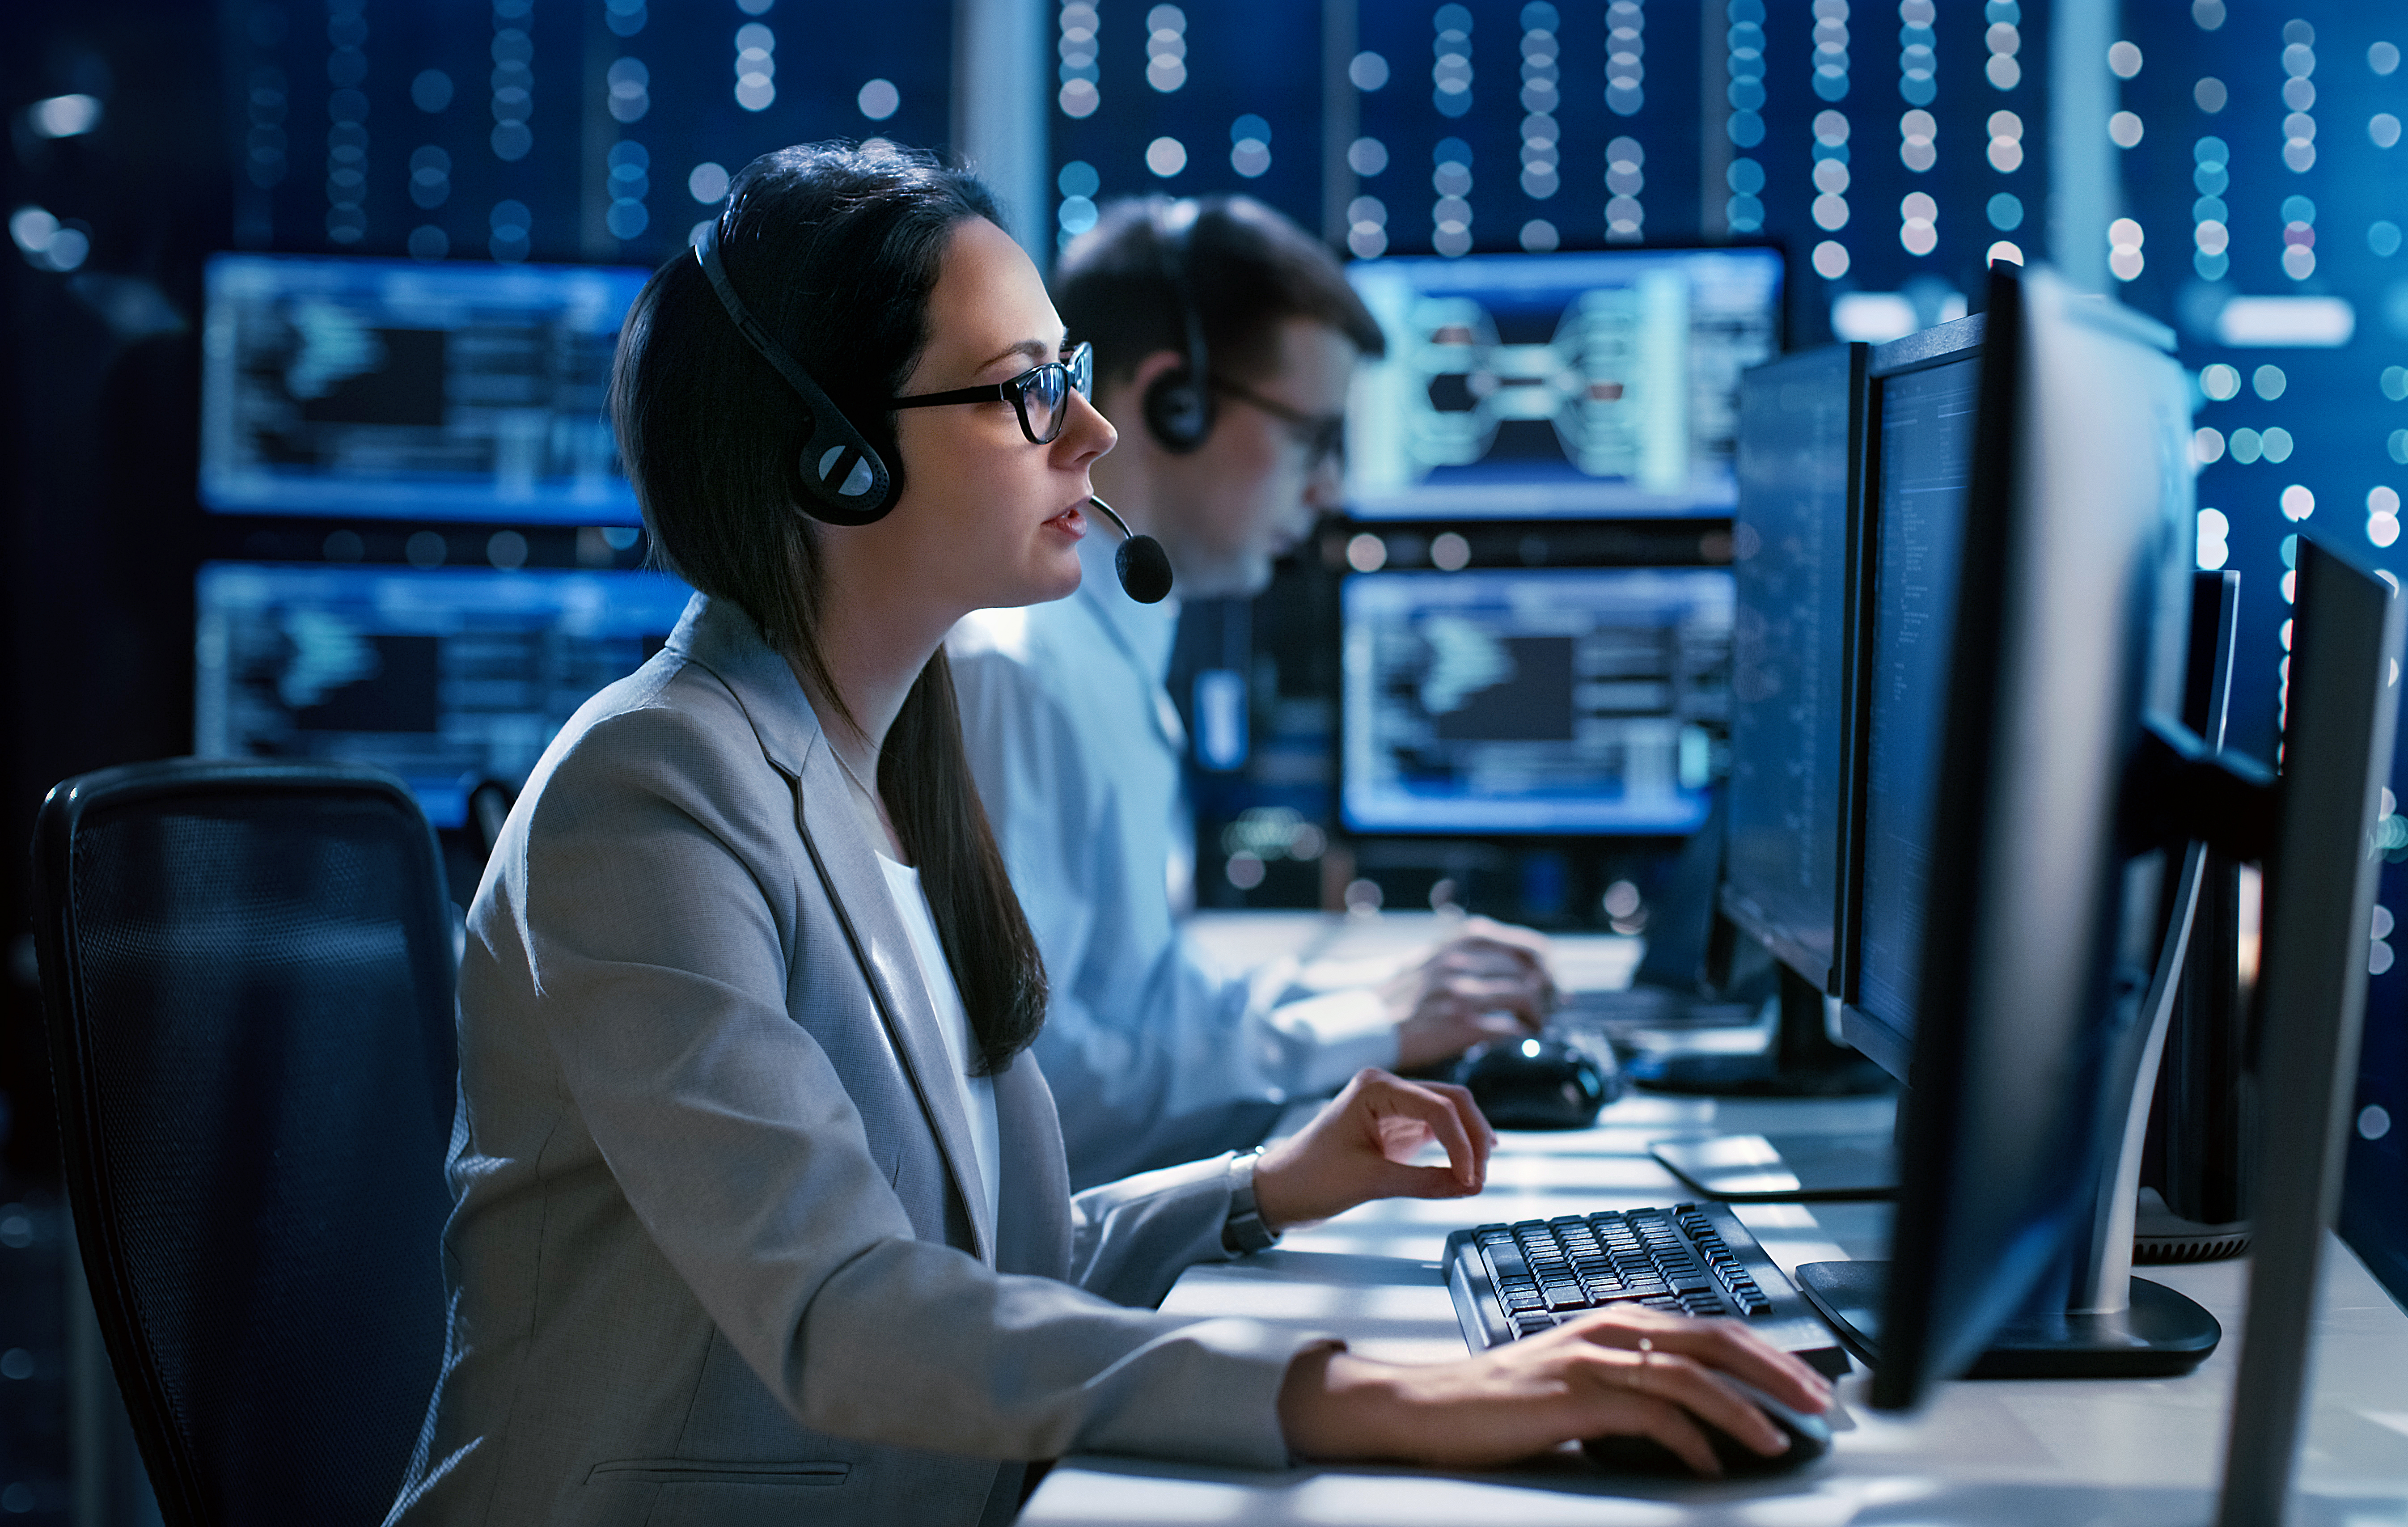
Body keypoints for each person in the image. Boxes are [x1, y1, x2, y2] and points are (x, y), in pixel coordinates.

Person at [382, 142, 1831, 1525]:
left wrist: (1263, 1187)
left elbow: (987, 1263)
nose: (1094, 432)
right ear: (836, 456)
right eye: (1025, 393)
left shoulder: (896, 762)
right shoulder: (650, 795)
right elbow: (844, 1311)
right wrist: (1398, 1394)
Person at [948, 194, 1558, 1188]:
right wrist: (1376, 1025)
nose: (1328, 492)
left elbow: (1137, 1002)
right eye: (1314, 439)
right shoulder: (1018, 675)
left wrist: (1378, 1003)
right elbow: (1037, 1101)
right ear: (1172, 402)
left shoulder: (1105, 655)